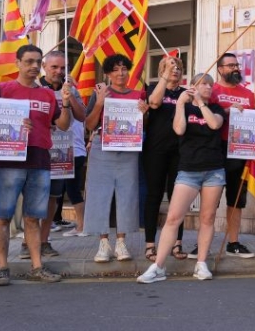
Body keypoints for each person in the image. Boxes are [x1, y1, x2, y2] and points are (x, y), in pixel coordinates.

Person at [0, 44, 72, 286]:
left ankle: (37, 267)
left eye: (37, 62)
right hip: (8, 162)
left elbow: (63, 125)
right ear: (18, 63)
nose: (34, 66)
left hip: (40, 161)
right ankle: (2, 267)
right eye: (29, 61)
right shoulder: (2, 90)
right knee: (2, 216)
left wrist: (65, 102)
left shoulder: (47, 94)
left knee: (33, 217)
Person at [137, 75, 226, 283]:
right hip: (188, 170)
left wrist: (202, 103)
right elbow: (179, 129)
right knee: (173, 218)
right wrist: (180, 104)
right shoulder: (184, 108)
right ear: (193, 86)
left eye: (210, 85)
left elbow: (214, 125)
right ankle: (158, 266)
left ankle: (201, 264)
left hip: (213, 170)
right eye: (203, 83)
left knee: (207, 218)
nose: (208, 87)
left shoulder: (216, 109)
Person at [84, 53, 149, 264]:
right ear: (108, 73)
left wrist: (145, 114)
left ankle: (121, 242)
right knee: (99, 195)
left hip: (128, 150)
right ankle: (103, 243)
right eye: (115, 69)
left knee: (127, 194)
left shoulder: (138, 94)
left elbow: (144, 127)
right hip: (102, 149)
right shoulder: (100, 92)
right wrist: (100, 103)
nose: (121, 73)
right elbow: (90, 124)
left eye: (124, 68)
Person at [206, 53, 255, 259]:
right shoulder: (212, 91)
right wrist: (227, 111)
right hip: (216, 149)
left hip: (240, 151)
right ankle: (203, 244)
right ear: (220, 69)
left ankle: (233, 243)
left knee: (236, 198)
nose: (235, 68)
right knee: (211, 199)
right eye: (230, 65)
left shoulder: (248, 94)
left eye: (237, 65)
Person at [38, 51, 88, 239]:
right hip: (41, 150)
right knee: (39, 194)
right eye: (54, 67)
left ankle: (44, 237)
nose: (59, 71)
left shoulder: (70, 89)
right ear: (44, 67)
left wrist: (70, 94)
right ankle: (34, 237)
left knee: (56, 195)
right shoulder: (36, 87)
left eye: (62, 68)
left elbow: (82, 116)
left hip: (66, 150)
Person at [143, 55, 188, 260]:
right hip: (155, 150)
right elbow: (153, 103)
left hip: (179, 151)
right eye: (171, 66)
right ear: (162, 69)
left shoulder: (185, 93)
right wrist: (163, 77)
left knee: (177, 198)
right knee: (153, 196)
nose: (175, 70)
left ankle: (177, 243)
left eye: (178, 67)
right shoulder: (153, 88)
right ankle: (150, 244)